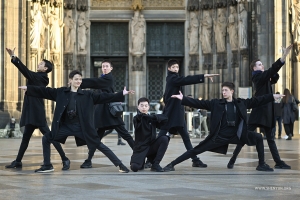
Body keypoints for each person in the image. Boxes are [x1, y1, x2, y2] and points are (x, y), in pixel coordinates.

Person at [19, 70, 134, 173]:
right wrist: (29, 89)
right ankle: (47, 165)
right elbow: (45, 91)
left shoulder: (88, 95)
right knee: (46, 138)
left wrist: (121, 94)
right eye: (76, 79)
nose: (79, 81)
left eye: (80, 79)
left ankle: (120, 165)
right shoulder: (61, 92)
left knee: (98, 144)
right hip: (65, 126)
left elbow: (104, 97)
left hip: (81, 127)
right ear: (70, 80)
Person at [163, 82, 285, 172]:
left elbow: (257, 100)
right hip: (219, 136)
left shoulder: (241, 103)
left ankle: (261, 164)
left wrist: (272, 96)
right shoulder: (217, 104)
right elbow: (200, 103)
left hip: (236, 135)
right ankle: (172, 164)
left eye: (226, 90)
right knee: (196, 150)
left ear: (232, 91)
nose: (223, 92)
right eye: (222, 90)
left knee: (258, 137)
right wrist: (183, 99)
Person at [227, 45, 293, 170]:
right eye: (259, 64)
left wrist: (271, 74)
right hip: (258, 111)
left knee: (271, 139)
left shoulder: (264, 78)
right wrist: (283, 57)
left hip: (267, 112)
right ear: (254, 68)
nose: (261, 65)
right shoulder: (257, 77)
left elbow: (274, 75)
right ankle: (232, 159)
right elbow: (271, 71)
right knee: (245, 136)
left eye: (262, 64)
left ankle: (278, 161)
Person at [5, 47, 69, 170]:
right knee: (25, 138)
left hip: (36, 112)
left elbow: (25, 71)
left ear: (45, 68)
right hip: (31, 111)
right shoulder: (38, 77)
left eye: (40, 64)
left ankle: (65, 159)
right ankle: (18, 161)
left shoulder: (40, 77)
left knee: (50, 137)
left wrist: (14, 57)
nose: (38, 65)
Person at [157, 59, 219, 168]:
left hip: (176, 114)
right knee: (162, 137)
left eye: (177, 67)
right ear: (169, 69)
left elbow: (166, 96)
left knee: (185, 138)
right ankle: (150, 159)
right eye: (173, 67)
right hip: (172, 114)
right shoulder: (172, 78)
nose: (176, 69)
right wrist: (204, 76)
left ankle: (195, 159)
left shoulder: (171, 79)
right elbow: (186, 80)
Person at [79, 60, 135, 168]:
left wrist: (79, 81)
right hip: (102, 112)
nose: (104, 68)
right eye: (103, 66)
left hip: (110, 112)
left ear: (111, 68)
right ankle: (88, 160)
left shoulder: (107, 78)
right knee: (96, 138)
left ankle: (141, 156)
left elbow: (95, 82)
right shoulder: (103, 78)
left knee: (126, 135)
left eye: (106, 66)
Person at [130, 97, 169, 172]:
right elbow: (140, 118)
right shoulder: (136, 118)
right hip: (140, 148)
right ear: (138, 107)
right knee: (135, 167)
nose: (143, 107)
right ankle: (142, 161)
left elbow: (165, 119)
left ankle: (155, 164)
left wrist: (153, 117)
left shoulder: (152, 118)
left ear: (149, 107)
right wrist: (149, 117)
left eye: (145, 105)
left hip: (151, 147)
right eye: (141, 105)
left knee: (164, 138)